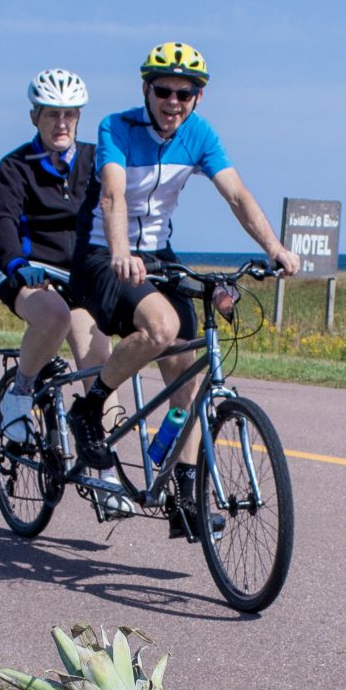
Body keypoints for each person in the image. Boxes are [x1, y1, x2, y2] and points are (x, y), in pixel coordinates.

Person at [65, 41, 300, 536]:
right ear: (146, 90)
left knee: (188, 372)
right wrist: (120, 251)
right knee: (163, 325)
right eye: (165, 91)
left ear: (198, 98)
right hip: (103, 256)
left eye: (186, 94)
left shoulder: (199, 134)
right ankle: (89, 409)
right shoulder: (117, 128)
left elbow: (236, 194)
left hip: (157, 258)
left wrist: (275, 248)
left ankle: (182, 496)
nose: (174, 102)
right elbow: (112, 194)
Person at [0, 68, 110, 448]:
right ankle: (19, 395)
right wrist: (17, 267)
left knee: (98, 355)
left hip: (79, 275)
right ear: (34, 117)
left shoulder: (95, 161)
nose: (62, 123)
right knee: (54, 316)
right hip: (27, 271)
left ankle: (103, 455)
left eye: (69, 114)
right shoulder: (15, 167)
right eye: (52, 114)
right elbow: (2, 222)